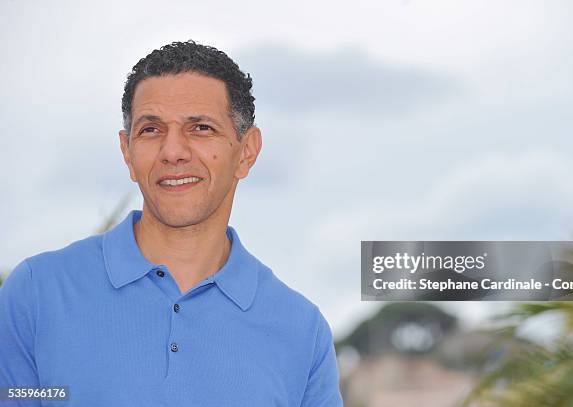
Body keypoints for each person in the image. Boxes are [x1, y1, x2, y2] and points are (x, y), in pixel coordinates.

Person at [0, 40, 343, 407]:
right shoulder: (36, 295)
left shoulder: (302, 333)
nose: (173, 151)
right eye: (151, 130)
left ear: (246, 151)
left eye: (201, 128)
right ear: (127, 152)